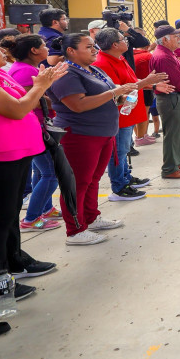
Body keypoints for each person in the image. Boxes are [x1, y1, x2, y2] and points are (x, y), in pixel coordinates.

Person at [0, 32, 64, 301]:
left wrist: (39, 88)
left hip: (16, 153)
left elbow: (26, 102)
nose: (2, 50)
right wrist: (41, 86)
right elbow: (16, 109)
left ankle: (13, 262)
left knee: (10, 214)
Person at [47, 33, 138, 244]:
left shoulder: (93, 69)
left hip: (102, 133)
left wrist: (123, 94)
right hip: (80, 134)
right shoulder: (66, 73)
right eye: (89, 47)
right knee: (77, 183)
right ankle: (75, 230)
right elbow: (78, 105)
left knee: (93, 180)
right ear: (71, 51)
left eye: (94, 46)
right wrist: (114, 92)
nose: (95, 50)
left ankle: (91, 216)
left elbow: (111, 93)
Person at [92, 28, 169, 201]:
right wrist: (148, 82)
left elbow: (132, 82)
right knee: (118, 152)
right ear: (114, 44)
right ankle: (119, 187)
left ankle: (126, 178)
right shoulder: (103, 63)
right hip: (119, 113)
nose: (126, 42)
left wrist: (152, 85)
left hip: (128, 111)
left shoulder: (119, 58)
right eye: (122, 39)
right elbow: (120, 91)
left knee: (124, 149)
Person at [6, 35, 62, 232]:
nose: (47, 48)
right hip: (36, 127)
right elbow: (35, 99)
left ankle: (45, 209)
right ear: (34, 50)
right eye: (44, 45)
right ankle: (31, 219)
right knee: (51, 173)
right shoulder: (24, 71)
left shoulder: (27, 68)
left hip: (37, 126)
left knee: (41, 171)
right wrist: (55, 100)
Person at [150, 25, 180, 178]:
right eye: (176, 37)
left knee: (177, 132)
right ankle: (170, 168)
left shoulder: (167, 53)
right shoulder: (163, 56)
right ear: (165, 39)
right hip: (171, 97)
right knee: (172, 133)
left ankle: (176, 162)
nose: (179, 40)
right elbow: (177, 80)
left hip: (176, 96)